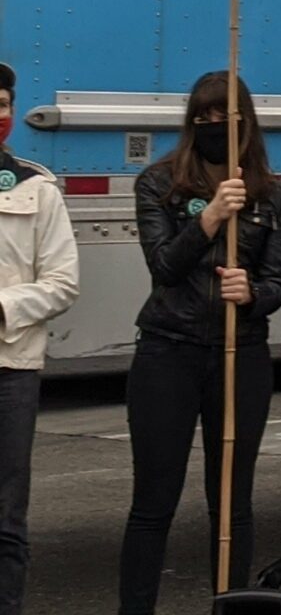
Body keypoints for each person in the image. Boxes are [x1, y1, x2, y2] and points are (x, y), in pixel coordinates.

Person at [118, 72, 281, 613]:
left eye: (227, 117)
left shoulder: (272, 194)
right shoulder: (158, 183)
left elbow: (279, 281)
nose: (216, 126)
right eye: (205, 117)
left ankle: (230, 604)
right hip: (168, 350)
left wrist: (253, 293)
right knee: (153, 501)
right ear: (193, 123)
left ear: (247, 123)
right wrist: (212, 216)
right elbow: (165, 267)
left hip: (241, 357)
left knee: (233, 503)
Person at [0, 63, 80, 615]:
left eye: (5, 103)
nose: (1, 114)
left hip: (11, 369)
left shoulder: (35, 185)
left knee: (5, 520)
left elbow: (61, 283)